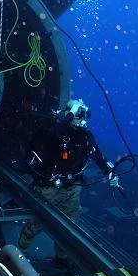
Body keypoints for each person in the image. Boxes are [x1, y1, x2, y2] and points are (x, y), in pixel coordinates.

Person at [17, 98, 120, 265]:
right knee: (36, 224)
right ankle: (19, 255)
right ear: (68, 114)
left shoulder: (85, 136)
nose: (81, 119)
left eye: (83, 115)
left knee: (70, 225)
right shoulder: (54, 130)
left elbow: (97, 156)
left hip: (72, 189)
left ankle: (62, 258)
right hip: (48, 188)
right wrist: (69, 117)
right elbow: (50, 136)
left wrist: (110, 172)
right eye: (77, 115)